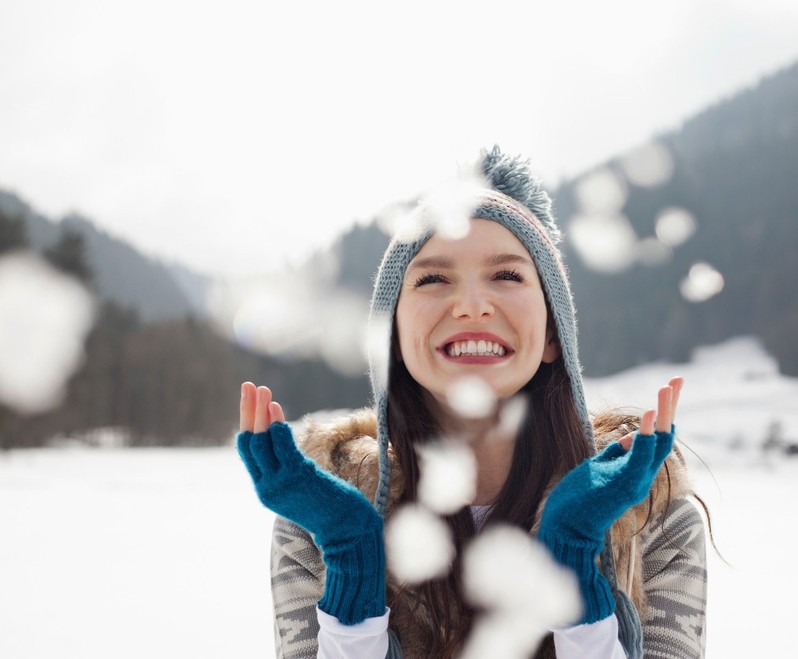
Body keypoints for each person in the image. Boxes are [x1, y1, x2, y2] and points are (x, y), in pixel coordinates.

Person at [236, 146, 708, 659]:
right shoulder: (315, 522)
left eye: (507, 275)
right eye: (434, 278)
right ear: (392, 339)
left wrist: (575, 571)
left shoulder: (649, 516)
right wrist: (352, 565)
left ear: (554, 335)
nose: (472, 306)